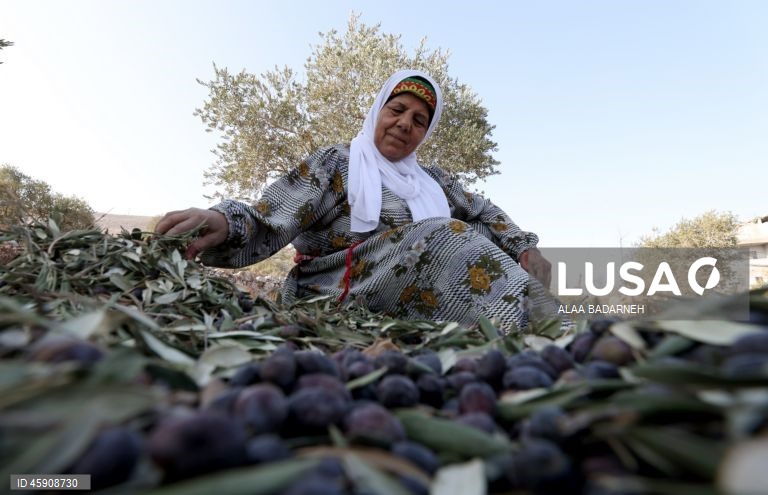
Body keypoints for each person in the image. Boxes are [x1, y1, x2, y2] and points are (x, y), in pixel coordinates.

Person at [156, 69, 568, 334]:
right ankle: (548, 334)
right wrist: (222, 221)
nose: (405, 123)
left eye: (419, 120)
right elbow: (270, 217)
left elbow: (484, 212)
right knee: (447, 236)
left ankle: (552, 334)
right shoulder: (338, 164)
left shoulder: (434, 182)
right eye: (398, 109)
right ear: (378, 110)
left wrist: (524, 246)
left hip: (410, 303)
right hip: (334, 293)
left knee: (467, 231)